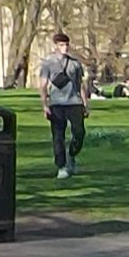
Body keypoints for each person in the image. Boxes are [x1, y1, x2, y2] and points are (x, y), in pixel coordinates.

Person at [39, 31, 88, 180]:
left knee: (79, 132)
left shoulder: (75, 63)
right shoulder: (48, 64)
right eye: (61, 45)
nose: (65, 47)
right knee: (58, 137)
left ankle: (72, 154)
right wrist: (45, 104)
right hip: (56, 104)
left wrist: (85, 103)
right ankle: (61, 166)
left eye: (66, 44)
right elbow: (42, 85)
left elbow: (80, 84)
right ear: (55, 46)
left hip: (74, 102)